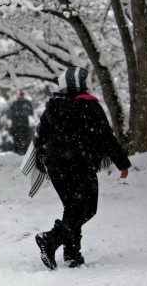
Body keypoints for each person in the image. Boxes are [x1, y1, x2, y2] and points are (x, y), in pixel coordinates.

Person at [27, 67, 131, 270]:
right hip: (79, 164)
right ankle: (50, 239)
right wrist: (122, 163)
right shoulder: (89, 107)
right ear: (83, 84)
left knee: (73, 208)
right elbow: (106, 137)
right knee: (87, 208)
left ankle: (72, 254)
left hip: (55, 166)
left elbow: (39, 137)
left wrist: (42, 162)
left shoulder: (52, 107)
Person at [7, 88, 34, 155]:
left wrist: (21, 113)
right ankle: (17, 152)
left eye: (22, 95)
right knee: (16, 140)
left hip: (24, 125)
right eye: (19, 95)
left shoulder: (27, 103)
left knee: (25, 139)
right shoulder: (14, 103)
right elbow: (9, 114)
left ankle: (24, 152)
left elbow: (31, 112)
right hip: (15, 125)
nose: (21, 96)